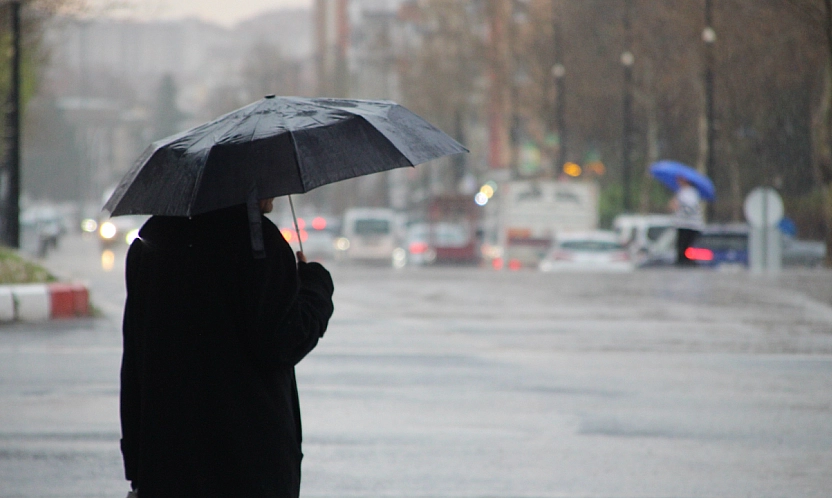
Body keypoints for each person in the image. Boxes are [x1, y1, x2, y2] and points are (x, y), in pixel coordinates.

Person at [119, 197, 334, 497]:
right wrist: (315, 286)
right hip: (249, 465)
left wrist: (137, 465)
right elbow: (285, 340)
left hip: (168, 458)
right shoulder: (258, 243)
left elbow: (135, 360)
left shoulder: (153, 240)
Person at [669, 176, 704, 266]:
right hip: (682, 223)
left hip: (690, 224)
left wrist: (679, 205)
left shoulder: (691, 192)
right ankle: (681, 259)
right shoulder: (681, 192)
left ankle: (686, 260)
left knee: (686, 243)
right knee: (681, 243)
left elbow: (690, 208)